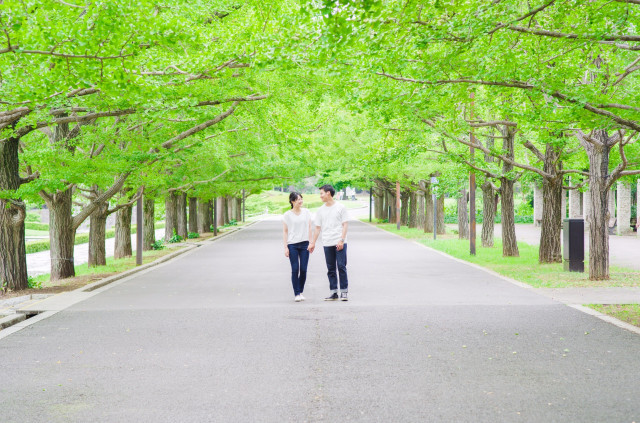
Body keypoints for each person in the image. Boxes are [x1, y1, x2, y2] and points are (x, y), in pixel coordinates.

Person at [309, 184, 349, 301]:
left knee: (341, 266)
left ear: (328, 193)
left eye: (321, 193)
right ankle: (333, 292)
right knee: (331, 268)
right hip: (327, 242)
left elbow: (345, 225)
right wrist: (313, 243)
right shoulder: (320, 210)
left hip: (340, 241)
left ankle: (344, 291)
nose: (320, 196)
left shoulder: (341, 207)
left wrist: (341, 239)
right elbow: (317, 228)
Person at [283, 192, 313, 302]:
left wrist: (311, 242)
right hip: (292, 245)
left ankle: (300, 291)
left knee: (304, 269)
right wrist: (286, 247)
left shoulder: (306, 212)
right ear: (292, 201)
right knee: (295, 269)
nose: (300, 201)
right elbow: (285, 232)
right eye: (297, 199)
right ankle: (297, 293)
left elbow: (310, 227)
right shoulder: (287, 215)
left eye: (301, 199)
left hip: (305, 243)